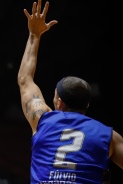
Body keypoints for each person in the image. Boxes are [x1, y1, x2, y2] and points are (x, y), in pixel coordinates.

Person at [17, 0, 123, 183]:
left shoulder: (42, 120)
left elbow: (25, 79)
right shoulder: (109, 136)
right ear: (87, 104)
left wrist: (34, 35)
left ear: (58, 102)